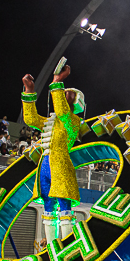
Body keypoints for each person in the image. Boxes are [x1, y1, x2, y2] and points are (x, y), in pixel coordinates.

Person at [22, 65, 84, 243]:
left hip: (61, 167)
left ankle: (66, 244)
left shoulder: (72, 120)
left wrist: (57, 82)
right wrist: (29, 91)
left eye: (69, 93)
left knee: (65, 207)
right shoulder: (53, 120)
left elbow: (63, 111)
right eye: (64, 91)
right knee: (48, 207)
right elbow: (31, 119)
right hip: (45, 166)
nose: (65, 94)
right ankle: (50, 246)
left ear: (76, 101)